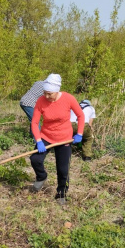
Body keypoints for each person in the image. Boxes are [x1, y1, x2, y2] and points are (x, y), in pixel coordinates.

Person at [30, 73, 85, 205]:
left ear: (57, 90)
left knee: (63, 169)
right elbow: (34, 122)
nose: (47, 96)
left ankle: (61, 193)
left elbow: (81, 116)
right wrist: (38, 140)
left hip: (64, 138)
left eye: (50, 94)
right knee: (35, 159)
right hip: (46, 136)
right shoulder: (41, 101)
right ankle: (41, 177)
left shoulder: (68, 98)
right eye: (45, 93)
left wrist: (80, 133)